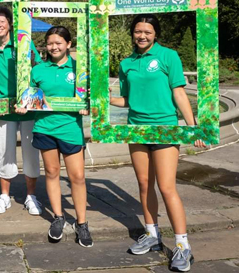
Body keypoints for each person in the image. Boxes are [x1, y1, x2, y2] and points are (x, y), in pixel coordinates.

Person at [110, 14, 206, 271]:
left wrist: (193, 127)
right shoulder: (126, 63)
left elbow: (178, 92)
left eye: (147, 32)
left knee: (166, 187)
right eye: (138, 31)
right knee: (144, 184)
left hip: (165, 129)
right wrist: (101, 99)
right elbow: (127, 100)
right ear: (133, 33)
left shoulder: (168, 56)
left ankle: (183, 245)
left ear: (155, 34)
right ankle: (152, 235)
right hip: (137, 130)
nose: (142, 36)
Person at [16, 26, 93, 246]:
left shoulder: (79, 68)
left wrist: (86, 104)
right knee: (51, 173)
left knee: (77, 177)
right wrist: (24, 105)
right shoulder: (38, 70)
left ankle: (82, 223)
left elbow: (89, 95)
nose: (54, 47)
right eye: (50, 43)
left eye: (59, 43)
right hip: (45, 128)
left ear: (69, 44)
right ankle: (58, 218)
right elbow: (29, 96)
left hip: (70, 129)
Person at [0, 6, 42, 215]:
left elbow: (38, 70)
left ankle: (31, 196)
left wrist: (30, 99)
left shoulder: (24, 42)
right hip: (4, 110)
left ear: (9, 24)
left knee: (31, 152)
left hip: (27, 108)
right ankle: (5, 196)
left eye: (2, 21)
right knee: (4, 152)